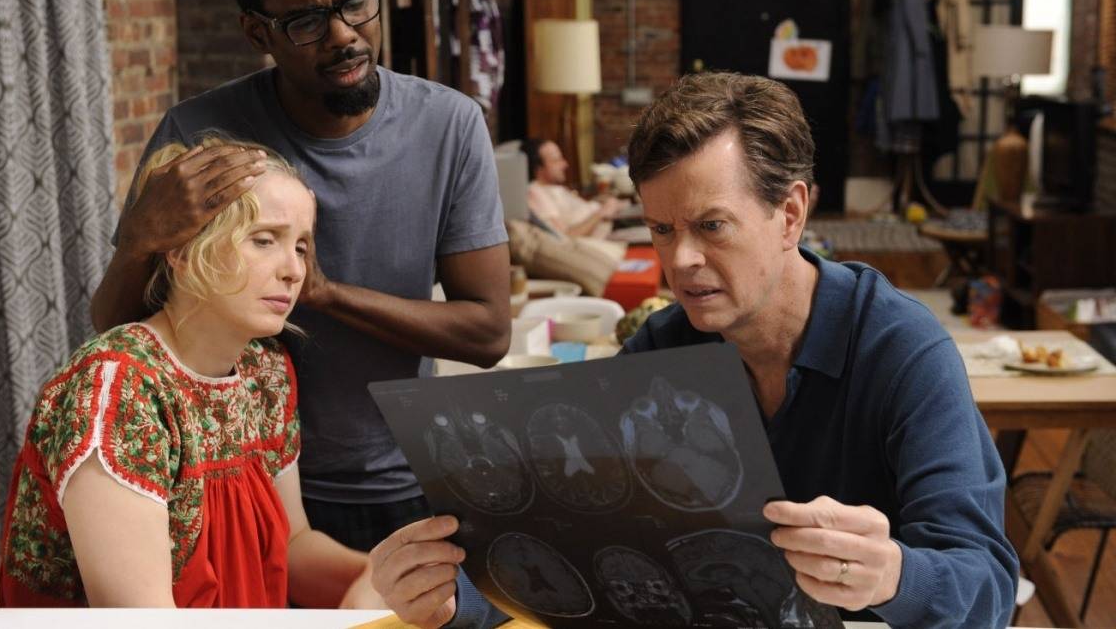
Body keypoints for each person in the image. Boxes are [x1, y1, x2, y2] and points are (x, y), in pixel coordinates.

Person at [369, 72, 1018, 629]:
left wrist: (895, 575)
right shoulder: (664, 345)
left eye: (711, 226)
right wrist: (453, 597)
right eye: (661, 229)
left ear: (791, 214)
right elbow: (578, 551)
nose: (680, 261)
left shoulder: (902, 350)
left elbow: (987, 586)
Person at [89, 0, 511, 553]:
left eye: (356, 2)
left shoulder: (449, 125)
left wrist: (324, 294)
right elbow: (119, 337)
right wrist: (141, 240)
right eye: (308, 21)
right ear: (257, 32)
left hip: (406, 478)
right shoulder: (200, 136)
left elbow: (488, 333)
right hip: (234, 479)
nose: (345, 34)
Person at [0, 138, 384, 608]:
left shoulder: (265, 371)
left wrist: (378, 574)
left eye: (301, 246)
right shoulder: (118, 390)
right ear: (181, 252)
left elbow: (291, 546)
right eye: (264, 240)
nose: (293, 270)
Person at [519, 137, 625, 238]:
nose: (565, 164)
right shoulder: (536, 192)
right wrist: (602, 212)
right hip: (602, 244)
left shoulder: (554, 188)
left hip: (614, 229)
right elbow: (565, 238)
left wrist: (601, 203)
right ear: (538, 169)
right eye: (556, 160)